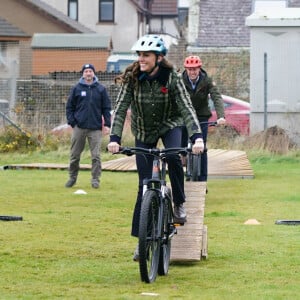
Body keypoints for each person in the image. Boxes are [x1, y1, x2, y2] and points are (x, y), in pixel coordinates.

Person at [107, 35, 204, 260]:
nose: (142, 59)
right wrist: (114, 138)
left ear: (159, 58)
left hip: (170, 124)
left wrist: (197, 137)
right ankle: (142, 240)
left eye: (146, 55)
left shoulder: (171, 77)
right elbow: (120, 109)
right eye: (139, 55)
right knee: (144, 186)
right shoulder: (133, 77)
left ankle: (179, 201)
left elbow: (186, 108)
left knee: (172, 157)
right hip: (144, 130)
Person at [65, 63, 111, 189]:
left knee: (96, 156)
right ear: (83, 74)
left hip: (95, 128)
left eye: (90, 71)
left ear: (93, 73)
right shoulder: (76, 89)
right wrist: (72, 122)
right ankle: (72, 178)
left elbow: (106, 108)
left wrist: (107, 124)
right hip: (79, 127)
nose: (88, 73)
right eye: (86, 71)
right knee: (75, 155)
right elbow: (69, 107)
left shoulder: (101, 89)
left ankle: (95, 180)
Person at [182, 55, 226, 182]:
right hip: (184, 115)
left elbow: (216, 97)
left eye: (195, 69)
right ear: (186, 69)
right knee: (180, 144)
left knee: (202, 148)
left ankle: (202, 180)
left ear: (199, 69)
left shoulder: (206, 80)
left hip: (201, 115)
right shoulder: (180, 80)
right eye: (190, 69)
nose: (192, 72)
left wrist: (221, 116)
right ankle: (183, 160)